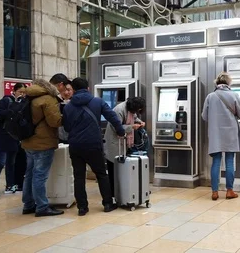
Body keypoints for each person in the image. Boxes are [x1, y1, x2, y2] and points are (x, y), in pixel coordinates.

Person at [63, 78, 126, 216]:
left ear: (73, 89)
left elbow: (66, 127)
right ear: (88, 88)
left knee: (79, 176)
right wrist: (121, 131)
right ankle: (108, 204)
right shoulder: (98, 102)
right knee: (101, 174)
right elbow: (112, 117)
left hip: (76, 145)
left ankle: (82, 208)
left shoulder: (68, 107)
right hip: (93, 144)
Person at [21, 79, 63, 217]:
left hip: (28, 141)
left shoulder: (28, 97)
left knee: (29, 174)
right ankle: (42, 207)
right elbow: (54, 122)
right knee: (40, 175)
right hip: (43, 143)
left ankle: (28, 204)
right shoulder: (48, 98)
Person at [202, 72, 240, 201]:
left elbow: (204, 116)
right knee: (229, 161)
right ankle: (229, 191)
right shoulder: (234, 95)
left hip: (215, 133)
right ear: (228, 83)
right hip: (231, 132)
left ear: (217, 83)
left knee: (216, 162)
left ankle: (215, 192)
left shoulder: (210, 96)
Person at [0, 83, 27, 199]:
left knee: (11, 163)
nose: (22, 94)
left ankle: (10, 185)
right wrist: (12, 110)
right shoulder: (6, 101)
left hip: (13, 137)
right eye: (20, 92)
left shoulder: (23, 103)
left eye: (24, 93)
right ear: (15, 91)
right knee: (0, 163)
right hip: (2, 136)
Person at [103, 97, 146, 198]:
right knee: (113, 167)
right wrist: (131, 127)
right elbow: (115, 126)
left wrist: (140, 122)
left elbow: (134, 117)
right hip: (114, 141)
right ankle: (113, 193)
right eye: (138, 109)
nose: (137, 112)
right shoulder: (119, 110)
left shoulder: (130, 108)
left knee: (121, 167)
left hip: (122, 141)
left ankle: (121, 190)